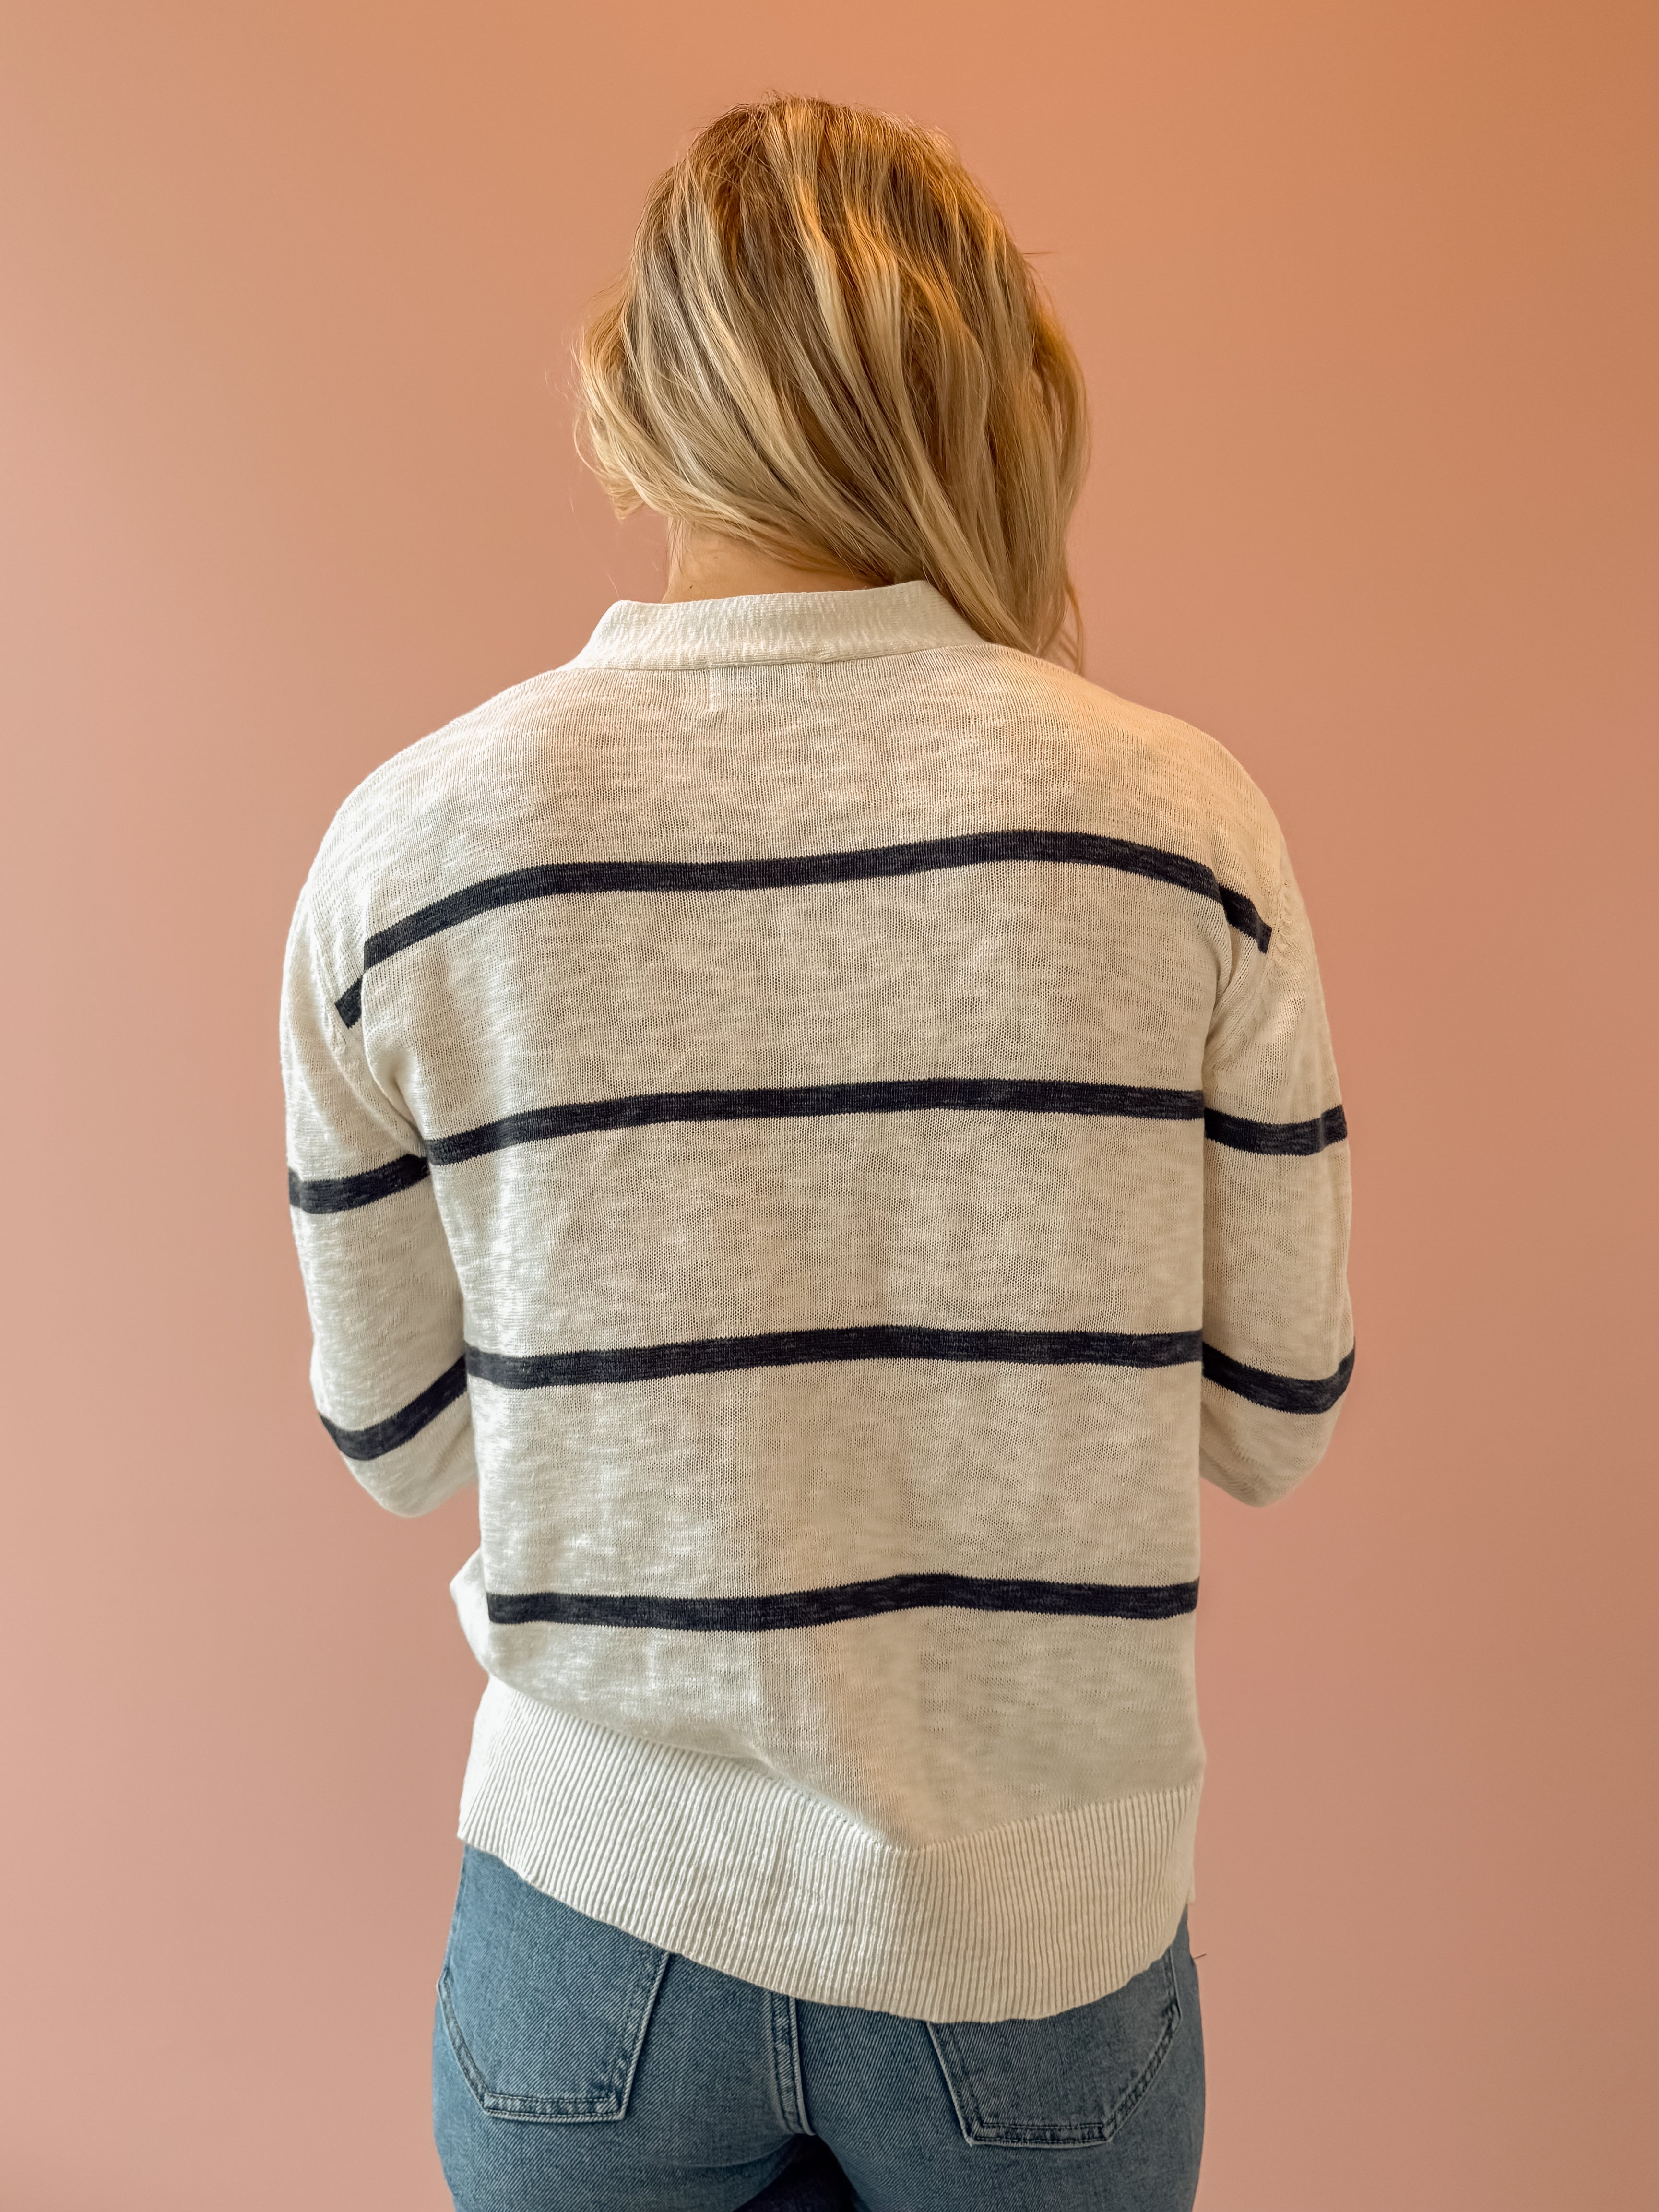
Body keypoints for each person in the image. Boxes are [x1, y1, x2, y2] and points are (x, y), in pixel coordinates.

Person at [281, 92, 1353, 2212]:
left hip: (595, 1932)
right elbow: (1272, 1417)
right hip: (1031, 1947)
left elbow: (395, 1440)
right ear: (989, 399)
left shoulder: (412, 851)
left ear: (636, 402)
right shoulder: (1179, 829)